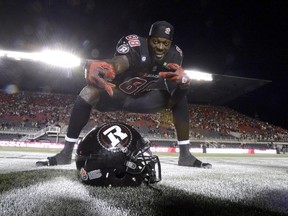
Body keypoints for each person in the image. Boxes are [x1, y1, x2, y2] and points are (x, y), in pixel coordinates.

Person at [40, 21, 212, 168]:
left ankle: (185, 155)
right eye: (156, 42)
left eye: (165, 43)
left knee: (181, 96)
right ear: (149, 39)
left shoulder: (175, 54)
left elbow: (174, 88)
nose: (160, 47)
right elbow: (120, 61)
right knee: (88, 92)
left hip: (144, 100)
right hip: (117, 95)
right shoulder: (136, 45)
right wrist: (107, 66)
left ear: (170, 44)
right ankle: (66, 153)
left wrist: (184, 85)